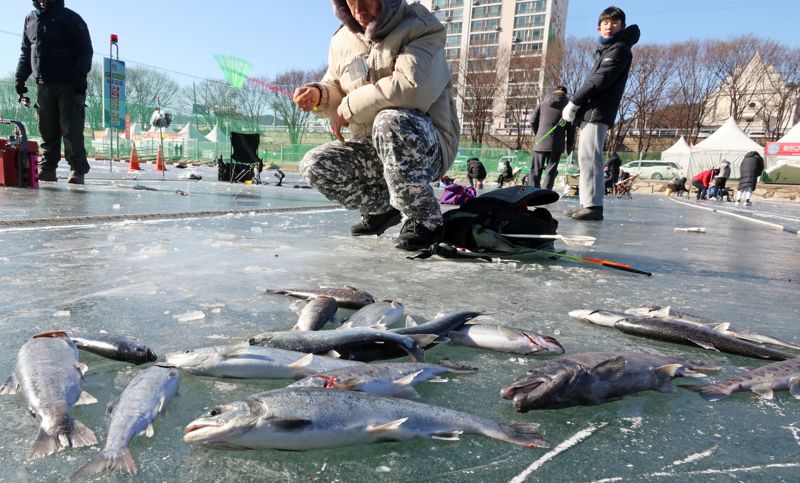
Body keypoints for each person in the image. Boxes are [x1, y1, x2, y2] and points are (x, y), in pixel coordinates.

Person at [295, 0, 458, 251]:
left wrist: (347, 107)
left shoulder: (421, 26)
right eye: (351, 2)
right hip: (372, 145)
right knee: (315, 165)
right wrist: (319, 95)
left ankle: (425, 218)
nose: (358, 11)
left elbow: (411, 88)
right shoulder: (341, 40)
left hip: (425, 144)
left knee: (389, 121)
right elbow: (336, 86)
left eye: (367, 0)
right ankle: (382, 209)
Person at [561, 6, 640, 221]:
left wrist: (575, 100)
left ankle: (593, 206)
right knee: (585, 157)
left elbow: (601, 79)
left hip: (598, 111)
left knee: (590, 157)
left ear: (622, 26)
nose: (609, 26)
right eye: (605, 23)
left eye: (614, 23)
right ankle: (587, 203)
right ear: (599, 28)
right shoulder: (609, 49)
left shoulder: (619, 49)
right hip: (592, 111)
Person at [15, 0, 93, 184]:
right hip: (43, 83)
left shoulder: (70, 18)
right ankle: (48, 168)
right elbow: (26, 51)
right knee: (47, 128)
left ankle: (77, 169)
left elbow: (85, 50)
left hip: (69, 83)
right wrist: (20, 78)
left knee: (71, 127)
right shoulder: (30, 19)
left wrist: (80, 77)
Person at [528, 86, 575, 190]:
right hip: (557, 144)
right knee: (551, 170)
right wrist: (569, 146)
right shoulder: (568, 108)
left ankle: (531, 192)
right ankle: (545, 193)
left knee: (536, 169)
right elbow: (571, 129)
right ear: (565, 94)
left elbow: (532, 122)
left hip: (541, 142)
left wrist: (538, 135)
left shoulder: (542, 104)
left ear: (554, 91)